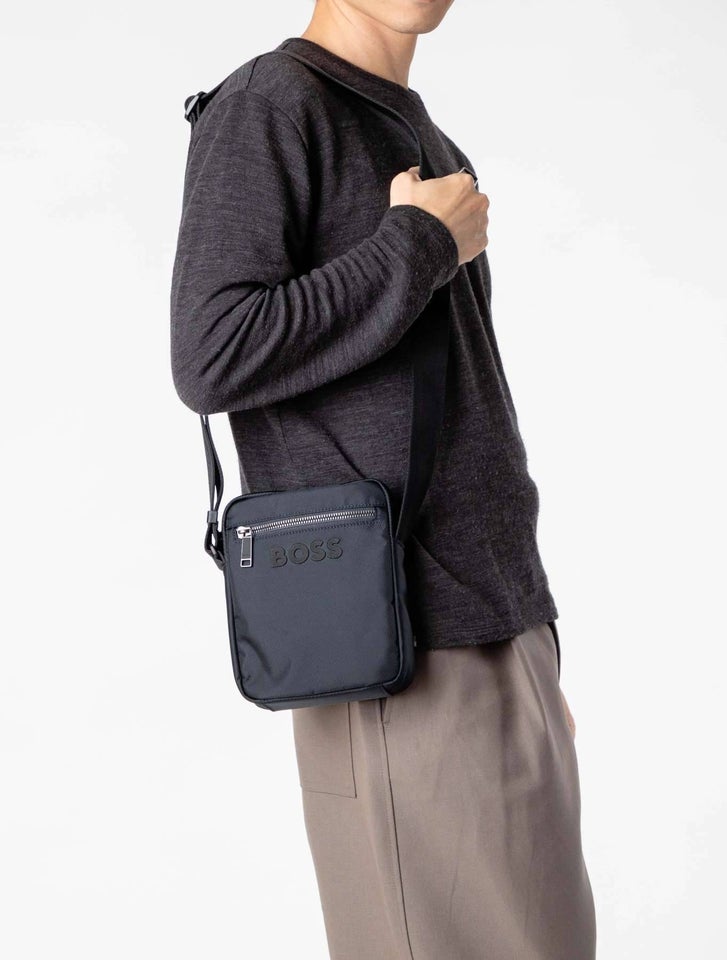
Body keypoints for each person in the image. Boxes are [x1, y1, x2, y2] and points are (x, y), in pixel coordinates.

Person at [170, 1, 596, 956]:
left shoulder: (423, 133)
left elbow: (473, 415)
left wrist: (528, 647)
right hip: (401, 652)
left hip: (492, 638)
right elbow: (210, 352)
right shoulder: (271, 104)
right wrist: (419, 244)